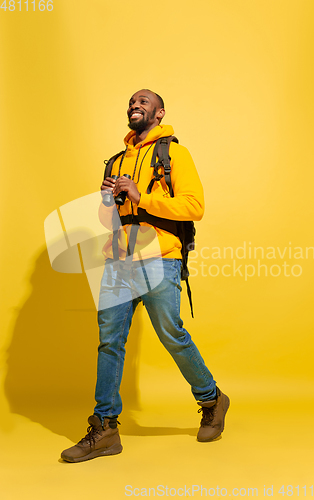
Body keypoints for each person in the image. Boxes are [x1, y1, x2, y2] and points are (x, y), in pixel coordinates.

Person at [61, 89, 230, 463]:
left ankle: (212, 399)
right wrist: (107, 203)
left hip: (160, 257)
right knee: (110, 342)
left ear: (159, 112)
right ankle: (104, 428)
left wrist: (141, 196)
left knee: (172, 334)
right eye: (131, 102)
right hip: (119, 259)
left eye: (143, 102)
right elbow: (110, 221)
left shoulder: (174, 153)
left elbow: (194, 206)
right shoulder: (116, 161)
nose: (134, 105)